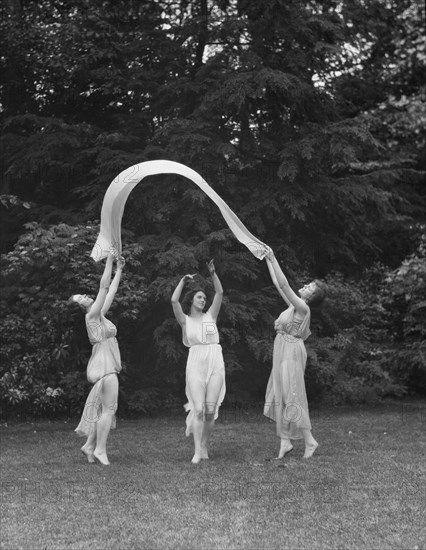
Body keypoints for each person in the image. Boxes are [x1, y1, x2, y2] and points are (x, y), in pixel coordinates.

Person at [262, 247, 326, 459]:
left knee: (292, 394)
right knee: (282, 393)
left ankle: (309, 441)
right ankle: (285, 441)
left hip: (291, 351)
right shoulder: (293, 305)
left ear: (312, 297)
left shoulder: (302, 308)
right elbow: (277, 284)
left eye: (310, 287)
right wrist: (268, 260)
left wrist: (274, 257)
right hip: (282, 348)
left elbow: (284, 284)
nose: (305, 286)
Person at [70, 251, 125, 466]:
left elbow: (111, 289)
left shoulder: (99, 313)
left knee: (107, 408)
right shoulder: (91, 316)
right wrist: (109, 261)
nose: (84, 296)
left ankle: (89, 446)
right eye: (80, 298)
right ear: (81, 307)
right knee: (109, 409)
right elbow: (103, 287)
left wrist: (119, 269)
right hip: (104, 366)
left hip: (106, 363)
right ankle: (100, 449)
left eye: (83, 295)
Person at [171, 260, 226, 464]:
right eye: (199, 297)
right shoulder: (185, 320)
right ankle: (196, 451)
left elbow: (219, 294)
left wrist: (213, 274)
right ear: (192, 300)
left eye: (204, 297)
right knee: (199, 409)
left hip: (215, 360)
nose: (203, 300)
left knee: (210, 410)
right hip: (195, 363)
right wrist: (183, 281)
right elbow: (173, 301)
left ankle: (204, 445)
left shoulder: (211, 315)